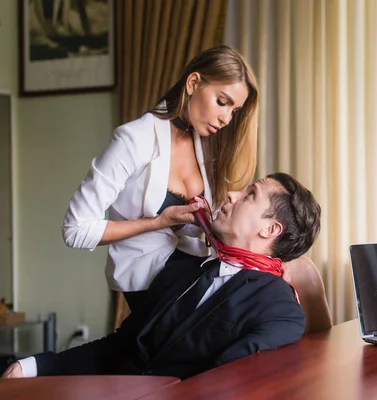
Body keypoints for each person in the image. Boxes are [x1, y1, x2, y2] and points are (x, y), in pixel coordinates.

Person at [2, 172, 321, 380]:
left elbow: (222, 385)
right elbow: (119, 346)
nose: (232, 195)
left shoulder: (280, 310)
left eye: (250, 195)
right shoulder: (183, 270)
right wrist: (34, 366)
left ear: (270, 229)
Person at [61, 45, 259, 313]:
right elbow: (76, 230)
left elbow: (189, 230)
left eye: (234, 111)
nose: (226, 118)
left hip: (191, 266)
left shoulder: (206, 144)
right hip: (147, 281)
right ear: (193, 83)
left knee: (266, 289)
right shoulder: (134, 140)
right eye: (222, 102)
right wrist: (157, 222)